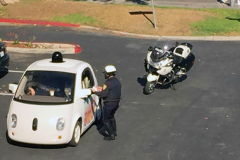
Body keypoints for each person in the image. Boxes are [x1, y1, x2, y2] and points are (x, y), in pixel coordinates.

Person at [91, 65, 121, 141]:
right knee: (111, 117)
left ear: (107, 74)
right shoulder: (117, 81)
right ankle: (114, 131)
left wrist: (94, 92)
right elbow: (111, 90)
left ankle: (111, 135)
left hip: (109, 104)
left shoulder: (107, 83)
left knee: (106, 119)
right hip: (116, 103)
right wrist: (102, 89)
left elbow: (103, 94)